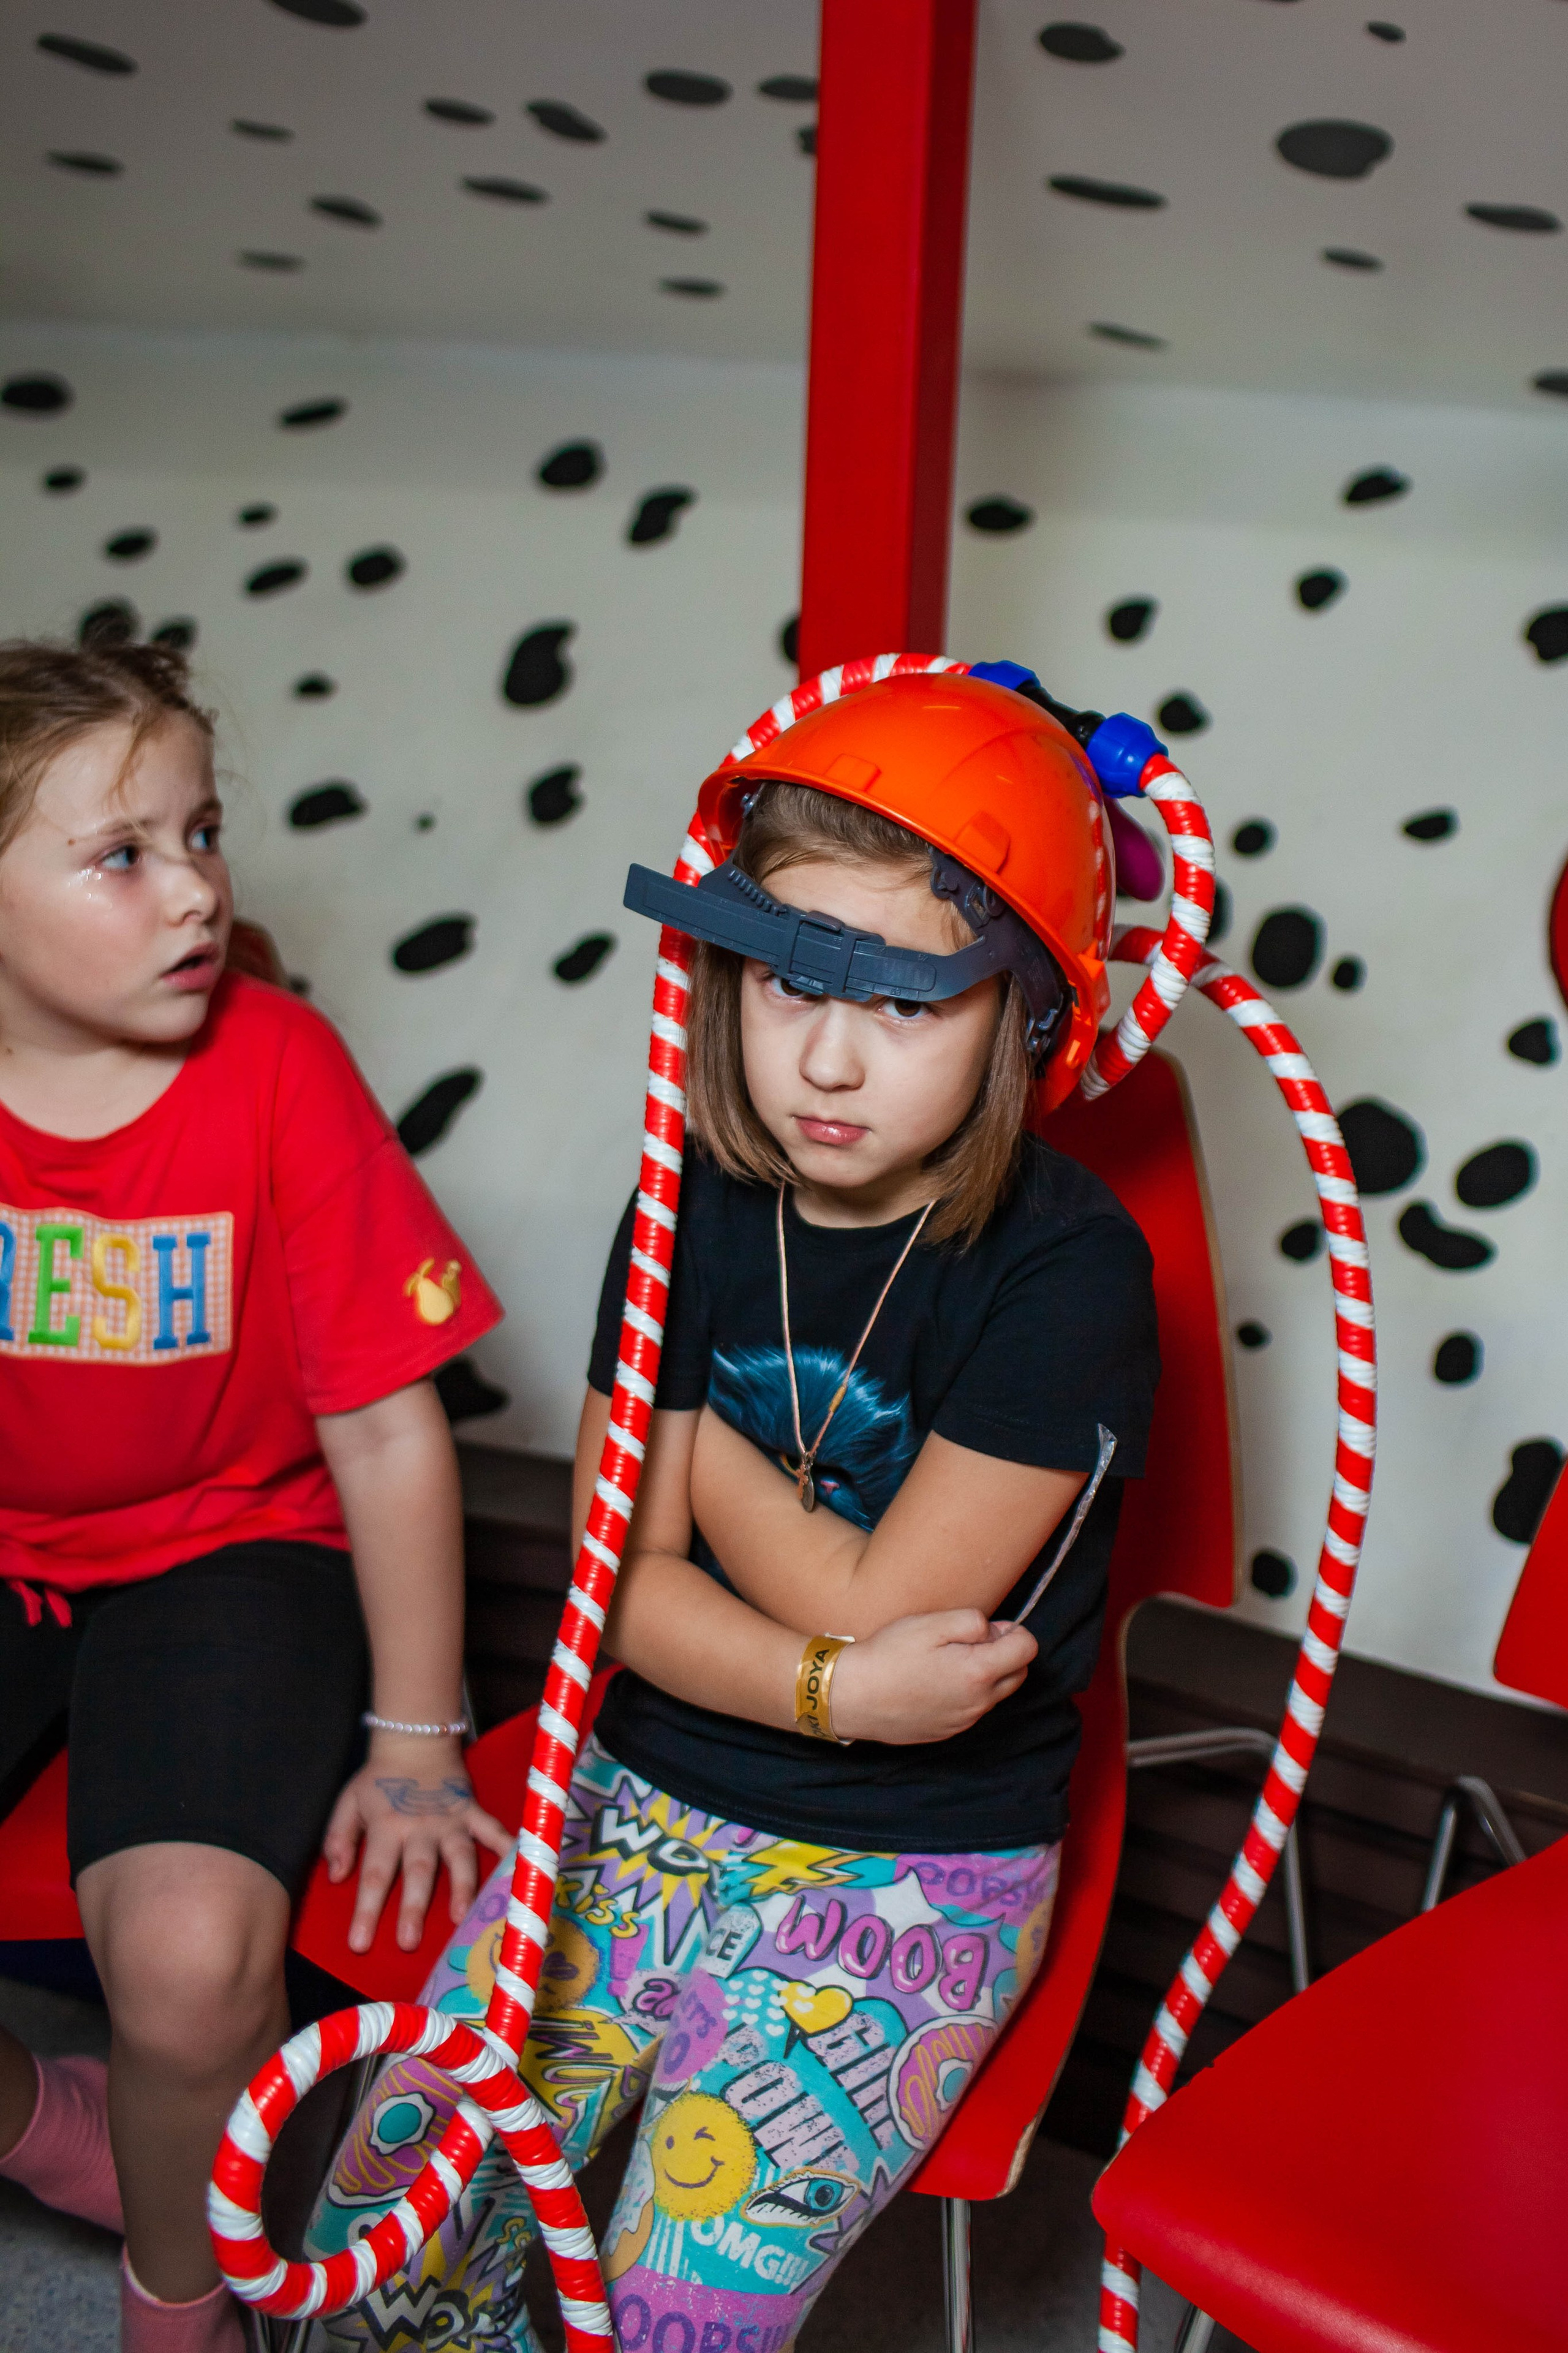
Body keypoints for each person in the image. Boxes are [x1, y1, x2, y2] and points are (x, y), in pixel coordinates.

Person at [310, 669, 1160, 2353]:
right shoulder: (687, 1187)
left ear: (1026, 1017)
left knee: (670, 2311)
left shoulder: (1072, 1269)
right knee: (388, 2240)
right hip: (636, 1786)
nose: (825, 1058)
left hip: (917, 1864)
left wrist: (687, 1459)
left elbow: (865, 1584)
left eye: (906, 1006)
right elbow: (627, 1599)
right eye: (785, 982)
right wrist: (834, 1683)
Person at [0, 638, 511, 2352]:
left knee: (194, 1954)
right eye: (122, 854)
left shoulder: (278, 1066)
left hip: (233, 1545)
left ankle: (182, 2301)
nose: (196, 890)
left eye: (203, 833)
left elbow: (386, 1432)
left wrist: (418, 1735)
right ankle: (43, 2124)